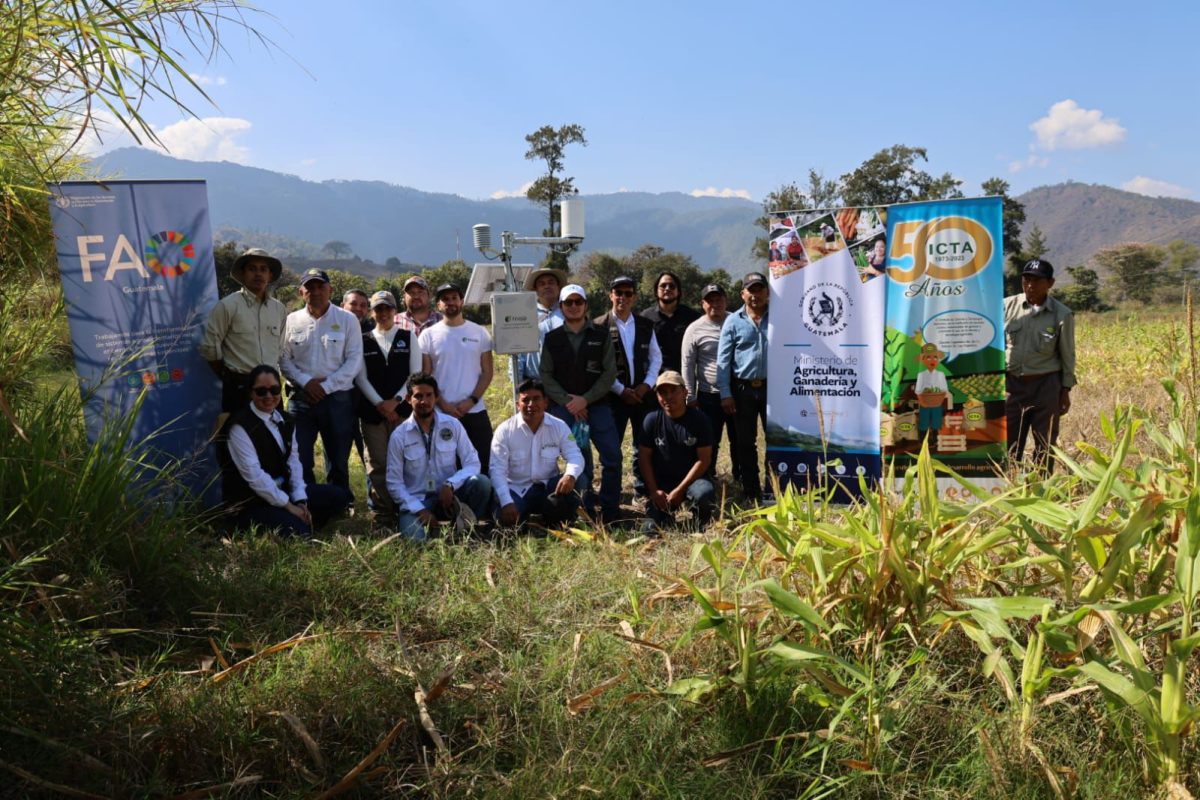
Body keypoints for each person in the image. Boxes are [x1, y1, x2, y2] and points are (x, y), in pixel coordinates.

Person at [219, 364, 352, 537]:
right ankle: (291, 523)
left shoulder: (286, 420)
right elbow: (255, 477)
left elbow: (294, 462)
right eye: (261, 391)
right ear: (251, 393)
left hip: (283, 492)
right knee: (300, 533)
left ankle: (300, 519)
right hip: (252, 502)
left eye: (274, 390)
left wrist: (300, 500)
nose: (269, 396)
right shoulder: (239, 427)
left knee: (339, 497)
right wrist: (289, 507)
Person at [539, 284, 622, 524]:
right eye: (568, 302)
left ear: (586, 305)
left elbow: (609, 373)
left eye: (578, 301)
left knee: (612, 457)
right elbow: (546, 375)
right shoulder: (552, 338)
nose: (573, 306)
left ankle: (610, 510)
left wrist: (585, 399)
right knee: (579, 461)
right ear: (561, 306)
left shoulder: (601, 334)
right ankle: (584, 509)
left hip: (598, 406)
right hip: (565, 410)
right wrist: (569, 402)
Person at [280, 268, 364, 491]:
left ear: (330, 290)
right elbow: (283, 359)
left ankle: (339, 501)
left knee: (338, 458)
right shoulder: (291, 320)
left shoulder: (347, 320)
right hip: (301, 398)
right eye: (310, 287)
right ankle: (305, 500)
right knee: (300, 456)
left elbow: (354, 360)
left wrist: (325, 387)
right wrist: (306, 383)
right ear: (301, 292)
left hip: (337, 398)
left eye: (320, 287)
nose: (316, 292)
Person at [386, 373, 493, 541]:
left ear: (436, 397)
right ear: (408, 399)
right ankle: (431, 529)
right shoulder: (399, 436)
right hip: (418, 500)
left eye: (429, 395)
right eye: (418, 396)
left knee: (481, 483)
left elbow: (472, 463)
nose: (424, 401)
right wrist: (420, 510)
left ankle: (467, 528)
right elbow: (394, 483)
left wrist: (450, 484)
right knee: (416, 541)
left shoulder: (452, 424)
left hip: (450, 497)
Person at [354, 290, 422, 523]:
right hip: (372, 413)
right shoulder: (363, 340)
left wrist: (396, 402)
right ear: (371, 312)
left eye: (387, 308)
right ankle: (382, 511)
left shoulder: (408, 336)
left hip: (402, 412)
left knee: (405, 461)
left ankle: (406, 507)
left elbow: (415, 374)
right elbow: (360, 377)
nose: (383, 313)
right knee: (378, 462)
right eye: (378, 309)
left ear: (395, 310)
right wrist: (380, 404)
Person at [1004, 258, 1076, 471]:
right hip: (1011, 386)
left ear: (1050, 283)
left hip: (1046, 386)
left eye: (1037, 280)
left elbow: (1068, 354)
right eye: (1026, 279)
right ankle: (1010, 484)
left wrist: (1065, 390)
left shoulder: (1062, 314)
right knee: (1009, 443)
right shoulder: (1005, 307)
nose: (1030, 285)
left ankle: (1041, 485)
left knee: (1045, 444)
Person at [200, 247, 288, 412]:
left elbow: (280, 348)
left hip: (271, 388)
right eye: (252, 269)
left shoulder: (279, 309)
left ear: (270, 275)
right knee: (238, 428)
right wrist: (228, 375)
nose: (258, 274)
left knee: (274, 428)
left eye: (263, 269)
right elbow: (209, 348)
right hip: (239, 387)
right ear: (242, 274)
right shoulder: (227, 306)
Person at [418, 283, 494, 472]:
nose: (450, 302)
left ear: (462, 302)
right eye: (445, 299)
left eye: (454, 298)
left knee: (483, 464)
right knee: (447, 466)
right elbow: (426, 376)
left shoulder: (479, 332)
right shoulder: (427, 335)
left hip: (475, 410)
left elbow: (487, 372)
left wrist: (471, 401)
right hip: (442, 412)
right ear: (438, 305)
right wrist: (442, 404)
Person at [596, 275, 662, 493]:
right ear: (610, 295)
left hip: (643, 396)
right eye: (618, 293)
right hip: (613, 397)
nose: (622, 297)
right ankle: (611, 494)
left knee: (642, 446)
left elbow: (656, 358)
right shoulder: (599, 325)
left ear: (634, 297)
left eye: (628, 293)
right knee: (611, 448)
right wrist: (620, 390)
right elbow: (598, 365)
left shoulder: (645, 324)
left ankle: (641, 490)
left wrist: (647, 385)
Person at [490, 379, 584, 529]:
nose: (531, 404)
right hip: (516, 490)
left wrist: (570, 475)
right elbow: (497, 470)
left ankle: (559, 520)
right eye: (525, 400)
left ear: (545, 403)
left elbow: (575, 455)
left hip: (549, 489)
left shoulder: (559, 426)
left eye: (536, 399)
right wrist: (506, 502)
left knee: (579, 478)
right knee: (507, 523)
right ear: (517, 404)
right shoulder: (504, 431)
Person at [716, 271, 770, 503]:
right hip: (742, 390)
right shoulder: (733, 321)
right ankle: (751, 491)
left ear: (767, 292)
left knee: (775, 440)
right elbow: (723, 360)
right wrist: (725, 394)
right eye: (751, 290)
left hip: (772, 390)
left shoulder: (780, 316)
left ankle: (773, 487)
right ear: (742, 294)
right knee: (745, 443)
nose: (755, 295)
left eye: (759, 289)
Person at [638, 370, 716, 530]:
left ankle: (700, 521)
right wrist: (654, 491)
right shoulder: (651, 420)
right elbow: (644, 458)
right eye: (663, 392)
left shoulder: (700, 420)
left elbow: (704, 460)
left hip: (693, 481)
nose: (668, 396)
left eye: (674, 391)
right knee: (649, 529)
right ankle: (665, 518)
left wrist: (680, 490)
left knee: (704, 494)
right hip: (663, 484)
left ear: (685, 392)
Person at [680, 283, 739, 483]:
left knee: (740, 439)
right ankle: (707, 479)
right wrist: (690, 396)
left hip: (737, 393)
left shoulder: (737, 321)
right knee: (709, 441)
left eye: (718, 299)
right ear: (703, 304)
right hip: (708, 396)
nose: (715, 304)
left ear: (726, 301)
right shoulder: (694, 329)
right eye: (710, 300)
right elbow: (688, 364)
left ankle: (740, 477)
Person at [641, 270, 700, 374]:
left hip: (684, 376)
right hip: (654, 377)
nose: (667, 289)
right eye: (663, 286)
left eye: (672, 286)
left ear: (679, 291)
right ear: (656, 291)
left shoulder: (692, 317)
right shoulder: (645, 318)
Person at [520, 267, 567, 381]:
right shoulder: (526, 315)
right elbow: (518, 350)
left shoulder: (569, 311)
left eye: (551, 282)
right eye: (541, 284)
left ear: (558, 287)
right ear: (535, 289)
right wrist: (519, 384)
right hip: (535, 383)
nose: (547, 286)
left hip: (566, 383)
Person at [914, 343, 952, 450]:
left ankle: (934, 440)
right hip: (924, 403)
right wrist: (922, 402)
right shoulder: (921, 375)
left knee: (936, 422)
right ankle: (923, 441)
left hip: (937, 403)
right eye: (928, 357)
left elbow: (944, 390)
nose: (932, 360)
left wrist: (939, 401)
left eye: (935, 357)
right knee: (924, 422)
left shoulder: (941, 374)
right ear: (923, 360)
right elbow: (918, 391)